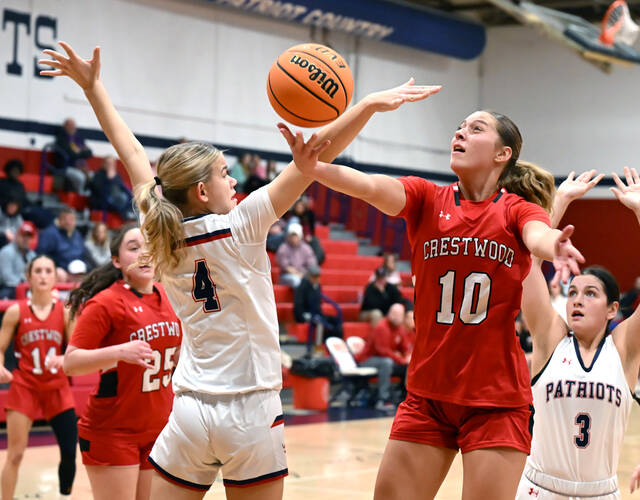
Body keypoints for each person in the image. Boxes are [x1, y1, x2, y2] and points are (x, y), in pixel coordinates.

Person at [39, 40, 439, 499]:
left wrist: (92, 89)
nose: (233, 180)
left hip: (188, 409)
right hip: (250, 411)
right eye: (224, 173)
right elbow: (314, 160)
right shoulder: (241, 226)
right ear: (203, 193)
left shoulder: (158, 228)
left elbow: (129, 151)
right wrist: (366, 105)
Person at [279, 108, 584, 500]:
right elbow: (369, 186)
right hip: (427, 396)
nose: (460, 132)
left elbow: (538, 233)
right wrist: (315, 168)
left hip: (496, 401)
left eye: (475, 129)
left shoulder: (515, 210)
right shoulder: (426, 198)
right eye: (459, 127)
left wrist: (553, 244)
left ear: (502, 154)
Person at [515, 168, 640, 500]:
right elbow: (524, 264)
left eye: (590, 294)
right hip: (539, 488)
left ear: (613, 309)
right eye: (572, 293)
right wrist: (559, 202)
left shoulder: (624, 347)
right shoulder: (551, 338)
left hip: (600, 492)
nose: (577, 301)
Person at [64, 224, 182, 500]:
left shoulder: (169, 295)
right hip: (113, 431)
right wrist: (119, 352)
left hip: (158, 427)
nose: (144, 254)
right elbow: (71, 362)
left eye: (150, 247)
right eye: (133, 248)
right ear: (116, 260)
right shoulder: (105, 303)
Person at [0, 255, 77, 499]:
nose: (43, 275)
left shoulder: (65, 312)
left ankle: (65, 494)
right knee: (15, 454)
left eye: (48, 270)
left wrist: (66, 359)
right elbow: (0, 348)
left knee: (69, 452)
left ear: (55, 277)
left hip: (57, 387)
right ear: (29, 276)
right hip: (25, 386)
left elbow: (77, 350)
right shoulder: (15, 311)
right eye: (38, 271)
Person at [355, 302, 410, 410]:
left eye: (399, 314)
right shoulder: (382, 327)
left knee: (409, 363)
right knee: (387, 363)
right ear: (389, 313)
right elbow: (383, 351)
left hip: (384, 358)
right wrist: (401, 359)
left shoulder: (399, 328)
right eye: (394, 313)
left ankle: (404, 396)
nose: (396, 316)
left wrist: (408, 356)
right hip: (367, 359)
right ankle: (382, 399)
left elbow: (405, 347)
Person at [36, 206, 88, 281]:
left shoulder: (77, 234)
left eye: (71, 220)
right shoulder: (50, 233)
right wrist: (54, 268)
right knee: (60, 274)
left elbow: (84, 254)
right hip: (61, 271)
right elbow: (42, 255)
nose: (68, 222)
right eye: (65, 219)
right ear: (59, 220)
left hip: (78, 270)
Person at [293, 264, 342, 342]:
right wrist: (304, 316)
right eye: (314, 276)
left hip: (317, 313)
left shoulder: (318, 286)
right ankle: (318, 346)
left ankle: (335, 342)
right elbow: (298, 304)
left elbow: (318, 303)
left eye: (318, 276)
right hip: (305, 314)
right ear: (309, 276)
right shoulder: (302, 287)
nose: (316, 278)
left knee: (336, 320)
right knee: (320, 322)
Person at [88, 156, 135, 220]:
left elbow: (123, 188)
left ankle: (130, 214)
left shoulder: (116, 175)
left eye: (112, 164)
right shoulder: (98, 175)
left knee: (132, 199)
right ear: (103, 164)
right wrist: (109, 179)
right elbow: (100, 191)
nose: (110, 166)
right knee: (122, 198)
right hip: (101, 201)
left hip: (116, 200)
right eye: (108, 163)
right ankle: (126, 215)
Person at [53, 117, 92, 192]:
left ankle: (87, 197)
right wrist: (82, 151)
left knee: (92, 176)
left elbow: (89, 153)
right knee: (81, 177)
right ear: (65, 126)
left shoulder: (79, 138)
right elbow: (71, 154)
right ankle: (81, 195)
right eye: (70, 125)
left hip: (82, 167)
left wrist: (79, 152)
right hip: (67, 167)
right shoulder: (61, 138)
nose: (72, 127)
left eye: (73, 125)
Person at [0, 221, 37, 299]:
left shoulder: (32, 254)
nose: (26, 239)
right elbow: (6, 277)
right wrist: (24, 283)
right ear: (16, 236)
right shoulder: (6, 251)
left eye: (29, 236)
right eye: (23, 236)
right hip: (8, 288)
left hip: (27, 288)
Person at [276, 222, 318, 289]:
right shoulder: (283, 248)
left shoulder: (306, 248)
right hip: (287, 276)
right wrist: (299, 274)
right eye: (292, 236)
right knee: (296, 280)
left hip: (304, 275)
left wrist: (305, 275)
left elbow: (312, 264)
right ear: (288, 236)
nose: (294, 238)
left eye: (296, 236)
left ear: (300, 236)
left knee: (314, 282)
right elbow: (285, 267)